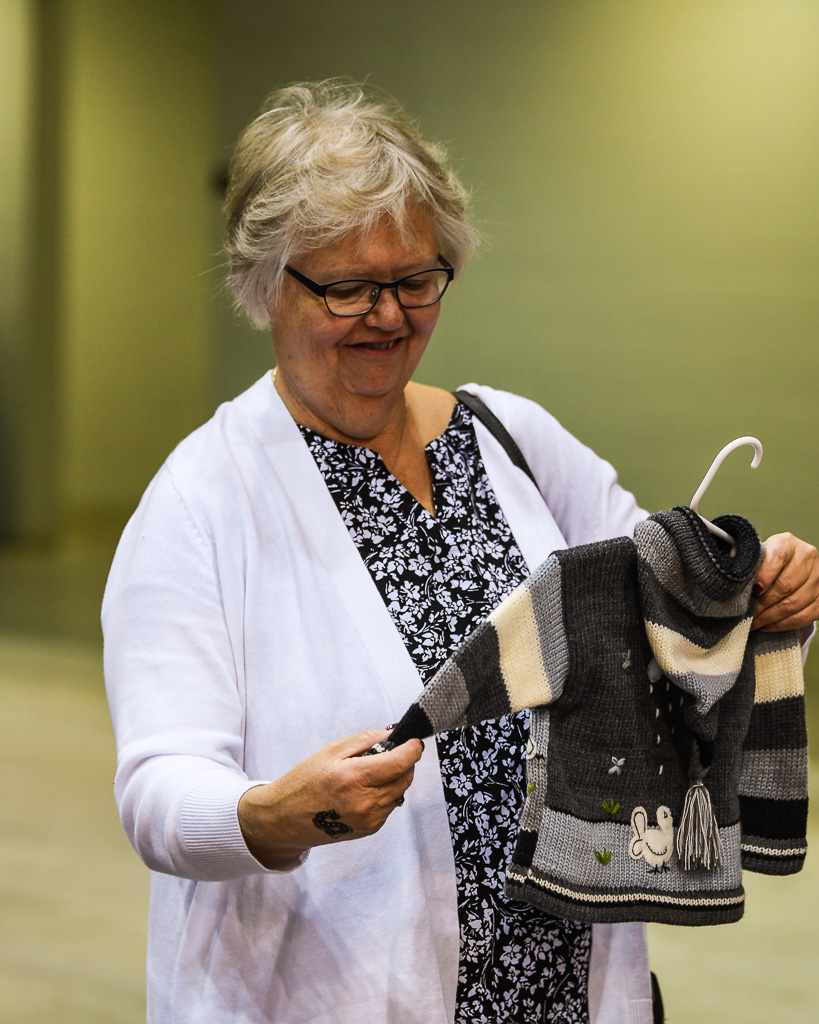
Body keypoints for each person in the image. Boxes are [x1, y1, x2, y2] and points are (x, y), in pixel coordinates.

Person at [103, 80, 819, 1024]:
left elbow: (665, 625)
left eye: (415, 280)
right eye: (348, 288)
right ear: (266, 284)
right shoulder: (201, 501)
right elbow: (157, 788)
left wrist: (753, 595)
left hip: (560, 982)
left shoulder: (511, 440)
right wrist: (271, 815)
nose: (389, 316)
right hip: (335, 993)